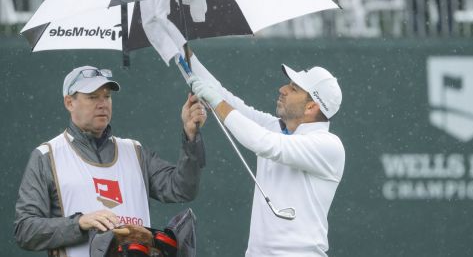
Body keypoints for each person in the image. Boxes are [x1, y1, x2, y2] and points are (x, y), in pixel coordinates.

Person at [14, 65, 207, 256]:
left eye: (106, 96)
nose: (102, 103)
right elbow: (25, 230)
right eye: (92, 97)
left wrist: (191, 135)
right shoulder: (47, 156)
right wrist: (79, 223)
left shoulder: (135, 151)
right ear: (69, 103)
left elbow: (182, 189)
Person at [186, 51, 345, 257]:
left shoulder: (328, 145)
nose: (283, 89)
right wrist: (177, 47)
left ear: (311, 106)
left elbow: (263, 142)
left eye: (293, 88)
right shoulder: (276, 128)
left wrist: (217, 102)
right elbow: (226, 98)